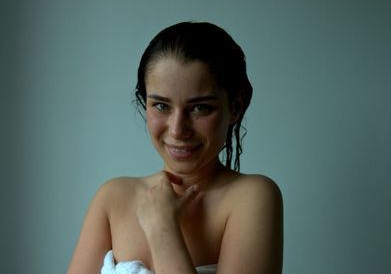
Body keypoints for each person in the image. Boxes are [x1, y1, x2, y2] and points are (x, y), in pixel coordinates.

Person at [67, 21, 283, 274]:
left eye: (200, 107)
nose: (178, 129)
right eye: (161, 105)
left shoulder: (252, 197)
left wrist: (162, 229)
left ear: (234, 107)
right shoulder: (112, 198)